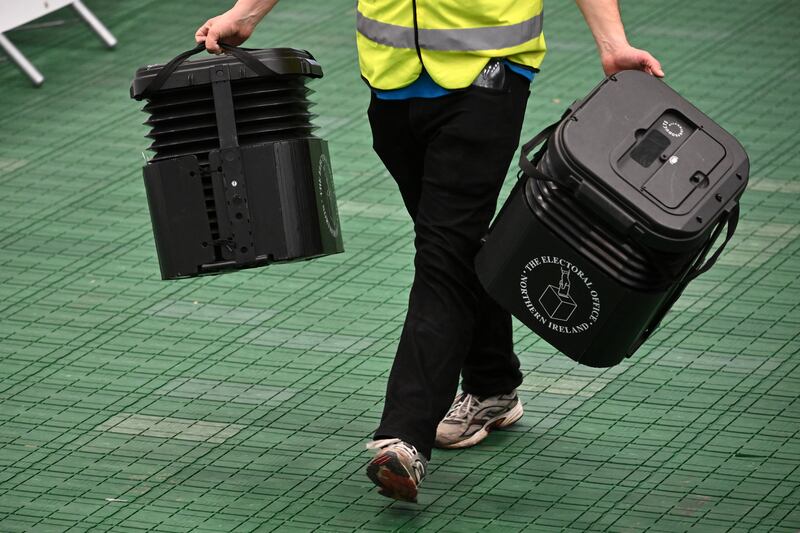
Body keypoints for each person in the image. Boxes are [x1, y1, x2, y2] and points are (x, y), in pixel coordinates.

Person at [195, 0, 663, 503]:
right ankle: (492, 385)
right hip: (391, 80)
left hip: (490, 75)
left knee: (442, 254)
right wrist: (245, 14)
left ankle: (405, 436)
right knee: (455, 247)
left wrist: (613, 44)